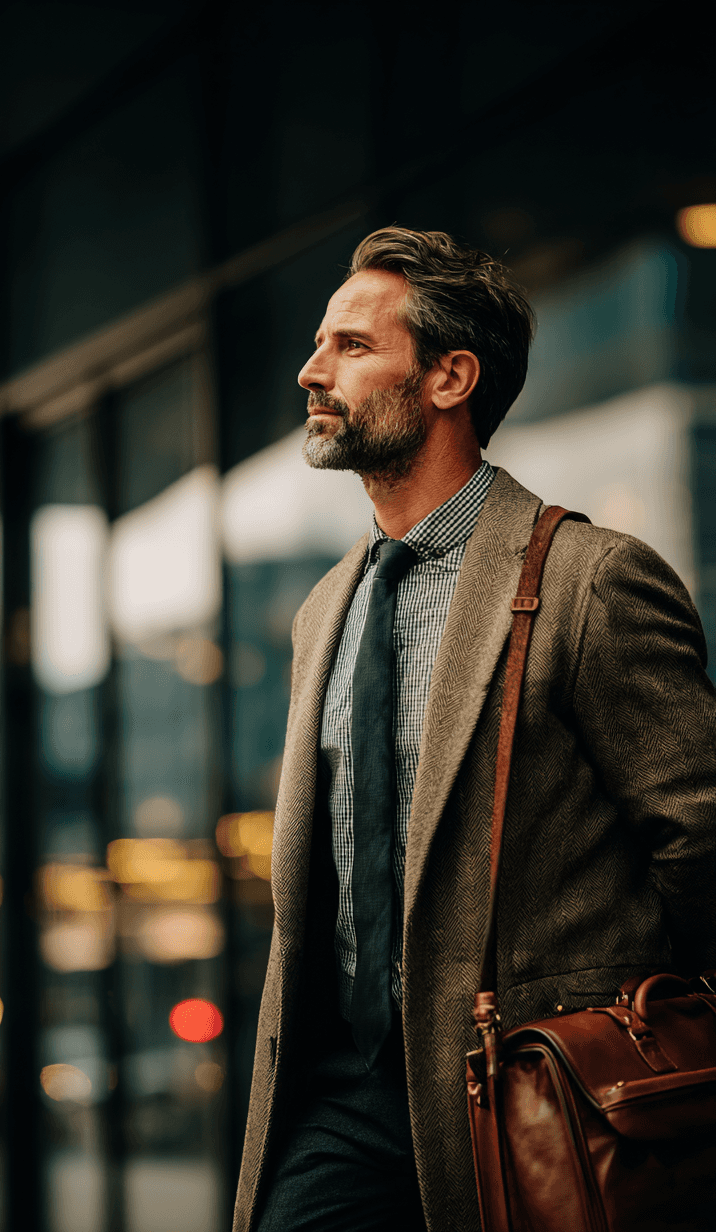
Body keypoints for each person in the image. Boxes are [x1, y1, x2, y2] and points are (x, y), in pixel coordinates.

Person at [231, 227, 716, 1232]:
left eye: (352, 345)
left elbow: (700, 841)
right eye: (321, 341)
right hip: (343, 1088)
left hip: (532, 1085)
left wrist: (635, 1030)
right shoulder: (326, 606)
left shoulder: (589, 579)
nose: (309, 369)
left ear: (450, 377)